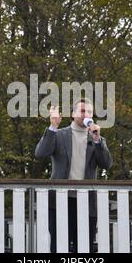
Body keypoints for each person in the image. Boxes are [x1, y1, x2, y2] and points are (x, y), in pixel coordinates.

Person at [35, 98, 112, 252]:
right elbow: (40, 153)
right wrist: (53, 126)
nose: (86, 114)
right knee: (59, 246)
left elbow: (106, 164)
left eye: (89, 112)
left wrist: (97, 140)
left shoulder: (97, 139)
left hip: (86, 202)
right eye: (82, 111)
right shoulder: (59, 134)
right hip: (59, 201)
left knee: (84, 248)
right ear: (73, 114)